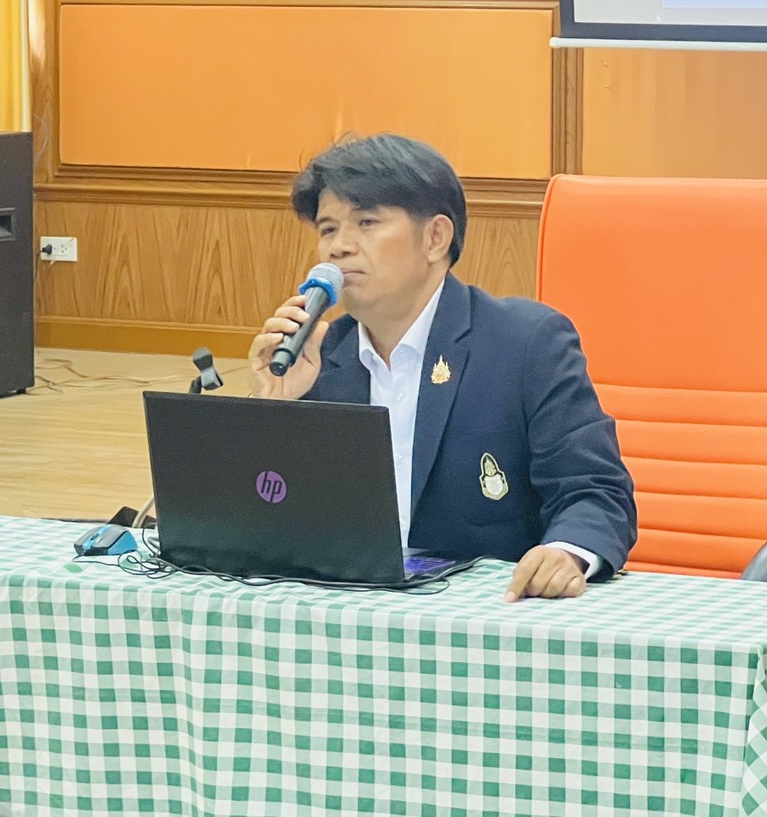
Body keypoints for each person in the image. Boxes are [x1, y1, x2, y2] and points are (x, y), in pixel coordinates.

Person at [248, 134, 636, 601]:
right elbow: (265, 522)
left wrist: (565, 552)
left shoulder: (524, 343)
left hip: (485, 613)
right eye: (328, 229)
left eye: (366, 222)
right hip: (346, 608)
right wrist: (277, 408)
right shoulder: (317, 357)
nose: (339, 247)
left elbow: (595, 491)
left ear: (435, 238)